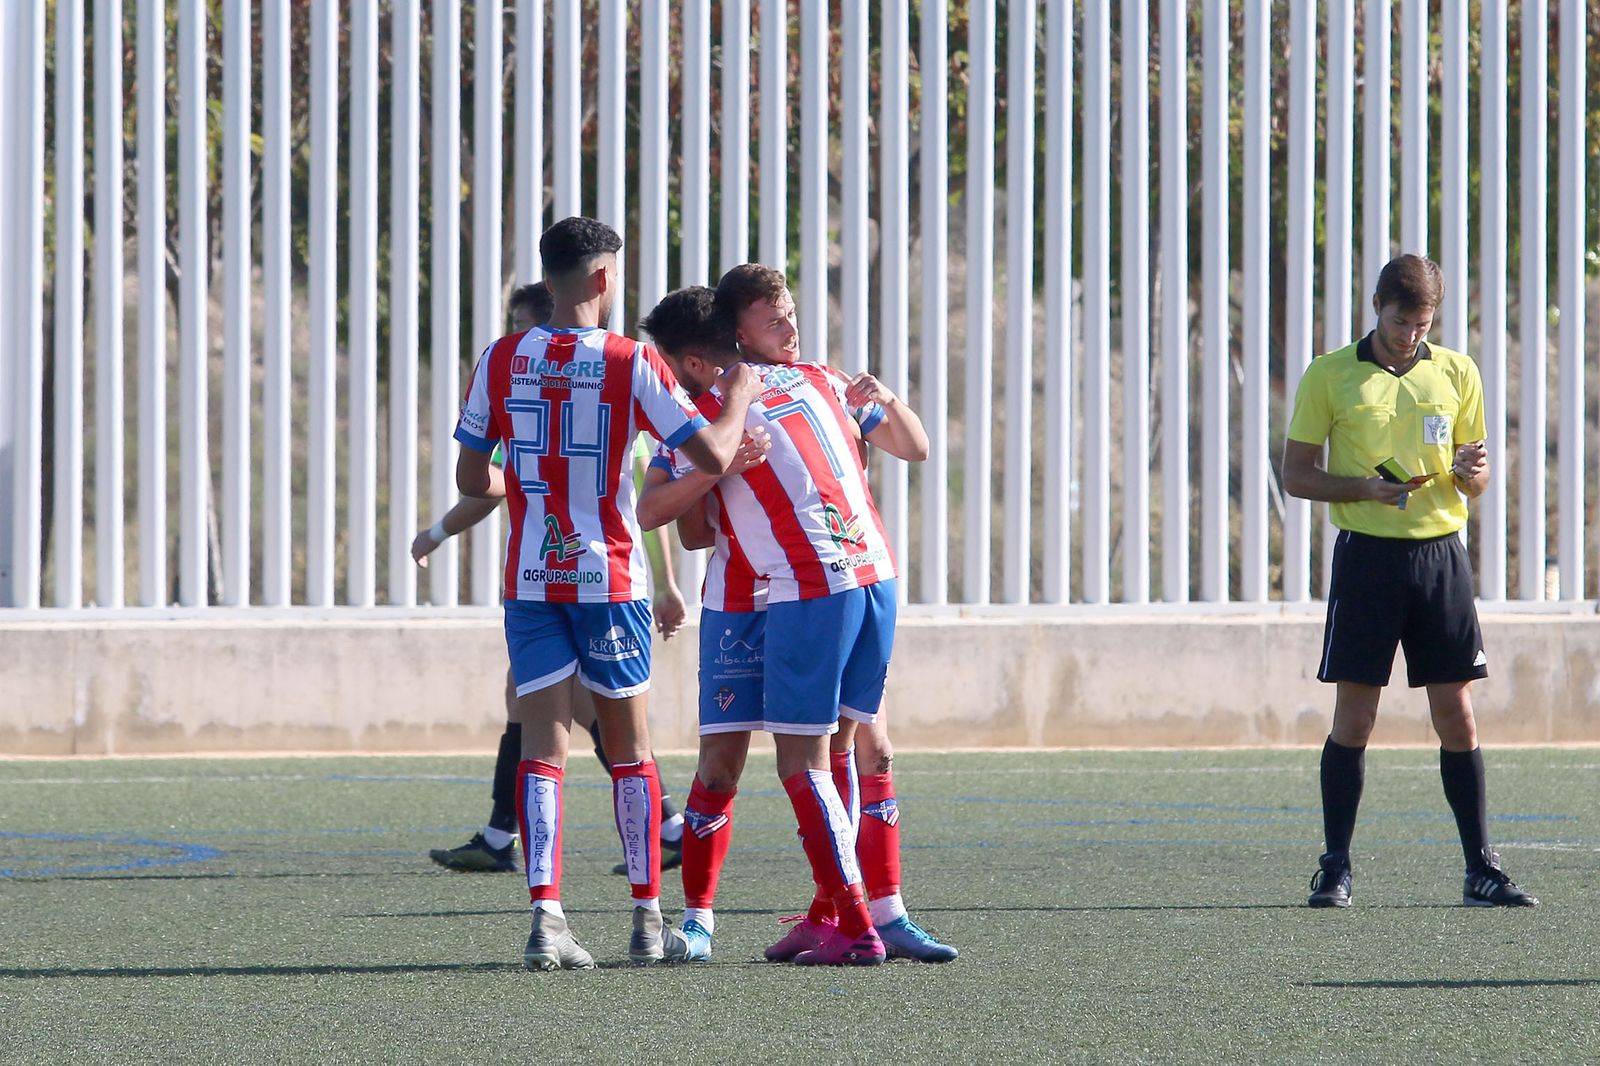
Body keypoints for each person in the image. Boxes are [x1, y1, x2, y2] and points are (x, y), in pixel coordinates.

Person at [454, 216, 760, 970]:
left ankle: (547, 919)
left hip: (531, 580)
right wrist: (743, 391)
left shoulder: (499, 359)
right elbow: (713, 452)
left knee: (543, 751)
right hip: (609, 579)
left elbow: (471, 481)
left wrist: (521, 481)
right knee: (631, 754)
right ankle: (647, 920)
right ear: (602, 280)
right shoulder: (631, 362)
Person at [639, 274, 947, 966]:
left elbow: (913, 444)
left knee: (843, 750)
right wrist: (716, 467)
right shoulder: (703, 415)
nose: (790, 325)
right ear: (730, 337)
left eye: (789, 314)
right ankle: (702, 923)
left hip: (817, 586)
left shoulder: (814, 378)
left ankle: (860, 917)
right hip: (743, 602)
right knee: (724, 764)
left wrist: (885, 398)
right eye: (774, 317)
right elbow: (681, 527)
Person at [1282, 252, 1536, 910]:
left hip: (1439, 560)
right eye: (1402, 321)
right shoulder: (1330, 375)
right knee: (1356, 717)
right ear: (1375, 306)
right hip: (1367, 558)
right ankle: (1334, 865)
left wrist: (1468, 470)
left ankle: (1481, 867)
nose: (1411, 335)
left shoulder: (1457, 373)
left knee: (1457, 714)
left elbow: (1475, 478)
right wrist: (1363, 487)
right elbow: (1297, 474)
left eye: (1423, 324)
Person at [425, 281, 689, 876]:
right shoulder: (623, 371)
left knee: (565, 730)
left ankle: (556, 888)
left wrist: (669, 585)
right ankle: (636, 896)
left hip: (551, 580)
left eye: (525, 326)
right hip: (590, 580)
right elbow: (679, 476)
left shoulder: (511, 366)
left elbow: (480, 480)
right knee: (574, 722)